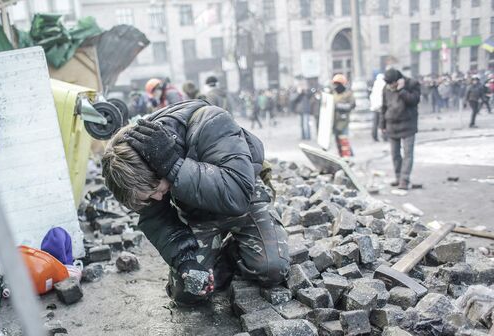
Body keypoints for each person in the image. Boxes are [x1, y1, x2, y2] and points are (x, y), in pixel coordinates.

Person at [101, 99, 290, 306]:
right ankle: (220, 261)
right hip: (197, 210)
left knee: (272, 270)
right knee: (188, 292)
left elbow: (237, 195)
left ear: (158, 166)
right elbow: (155, 217)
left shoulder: (211, 122)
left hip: (244, 198)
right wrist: (185, 260)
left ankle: (236, 250)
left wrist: (174, 166)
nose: (157, 198)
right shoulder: (144, 161)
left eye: (155, 191)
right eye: (149, 198)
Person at [381, 68, 421, 190]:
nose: (390, 86)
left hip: (408, 124)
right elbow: (383, 107)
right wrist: (382, 125)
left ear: (398, 80)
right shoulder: (386, 88)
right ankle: (398, 177)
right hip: (392, 125)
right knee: (395, 154)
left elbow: (414, 101)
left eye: (392, 83)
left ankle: (404, 179)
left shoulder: (412, 84)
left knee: (408, 153)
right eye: (388, 83)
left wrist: (401, 90)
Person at [331, 74, 356, 158]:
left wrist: (339, 106)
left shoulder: (348, 94)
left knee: (344, 139)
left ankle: (347, 156)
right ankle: (341, 155)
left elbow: (351, 105)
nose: (336, 86)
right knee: (337, 140)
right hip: (334, 120)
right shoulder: (333, 94)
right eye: (335, 84)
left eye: (338, 84)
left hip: (343, 120)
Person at [369, 73, 386, 142]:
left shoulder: (375, 84)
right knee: (383, 122)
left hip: (375, 107)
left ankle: (374, 136)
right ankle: (384, 136)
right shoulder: (384, 84)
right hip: (381, 106)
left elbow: (372, 96)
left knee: (375, 122)